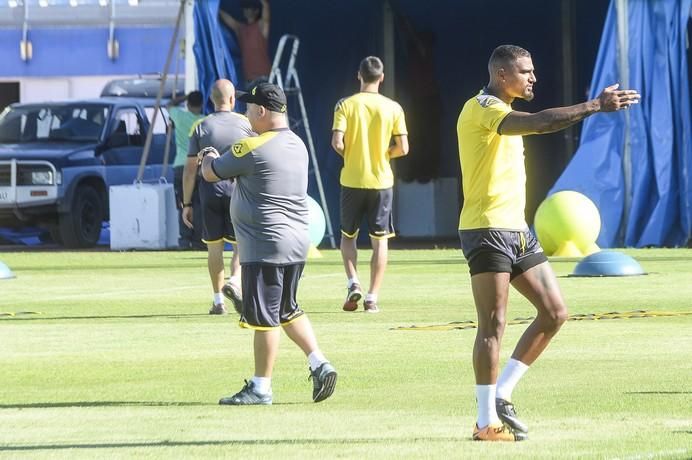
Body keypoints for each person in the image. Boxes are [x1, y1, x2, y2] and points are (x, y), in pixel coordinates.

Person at [457, 44, 641, 441]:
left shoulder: (501, 107)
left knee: (555, 312)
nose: (533, 77)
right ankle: (484, 422)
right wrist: (595, 106)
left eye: (533, 70)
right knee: (493, 324)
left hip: (517, 229)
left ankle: (503, 393)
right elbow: (540, 123)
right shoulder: (483, 108)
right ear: (502, 75)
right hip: (486, 229)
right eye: (525, 71)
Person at [200, 82, 337, 405]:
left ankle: (261, 387)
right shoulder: (298, 144)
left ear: (261, 111)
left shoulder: (252, 147)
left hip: (265, 246)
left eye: (249, 110)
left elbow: (210, 173)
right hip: (296, 242)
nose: (246, 116)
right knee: (288, 309)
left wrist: (207, 154)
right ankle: (320, 363)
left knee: (264, 319)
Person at [331, 56, 409, 313]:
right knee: (380, 240)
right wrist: (385, 154)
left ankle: (353, 281)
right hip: (381, 181)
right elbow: (403, 148)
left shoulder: (345, 105)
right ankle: (373, 296)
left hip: (352, 179)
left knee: (347, 236)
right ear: (382, 77)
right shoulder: (393, 108)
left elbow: (337, 143)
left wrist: (352, 156)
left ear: (359, 75)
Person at [183, 79, 252, 315]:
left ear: (212, 100)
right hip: (238, 190)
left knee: (214, 248)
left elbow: (190, 169)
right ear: (232, 99)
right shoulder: (246, 123)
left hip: (209, 191)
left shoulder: (201, 126)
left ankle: (218, 301)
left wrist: (187, 203)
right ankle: (235, 281)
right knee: (240, 244)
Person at [168, 91, 204, 249]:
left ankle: (184, 241)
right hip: (199, 166)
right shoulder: (204, 121)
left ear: (188, 104)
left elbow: (168, 105)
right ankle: (198, 241)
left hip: (180, 165)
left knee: (183, 205)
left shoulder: (179, 116)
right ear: (202, 104)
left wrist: (183, 97)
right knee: (200, 205)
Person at [219, 0, 271, 84]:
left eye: (248, 8)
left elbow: (266, 16)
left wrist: (264, 3)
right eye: (245, 9)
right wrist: (216, 9)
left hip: (263, 77)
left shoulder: (261, 26)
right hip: (249, 80)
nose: (246, 11)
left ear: (256, 11)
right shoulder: (240, 28)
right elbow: (228, 19)